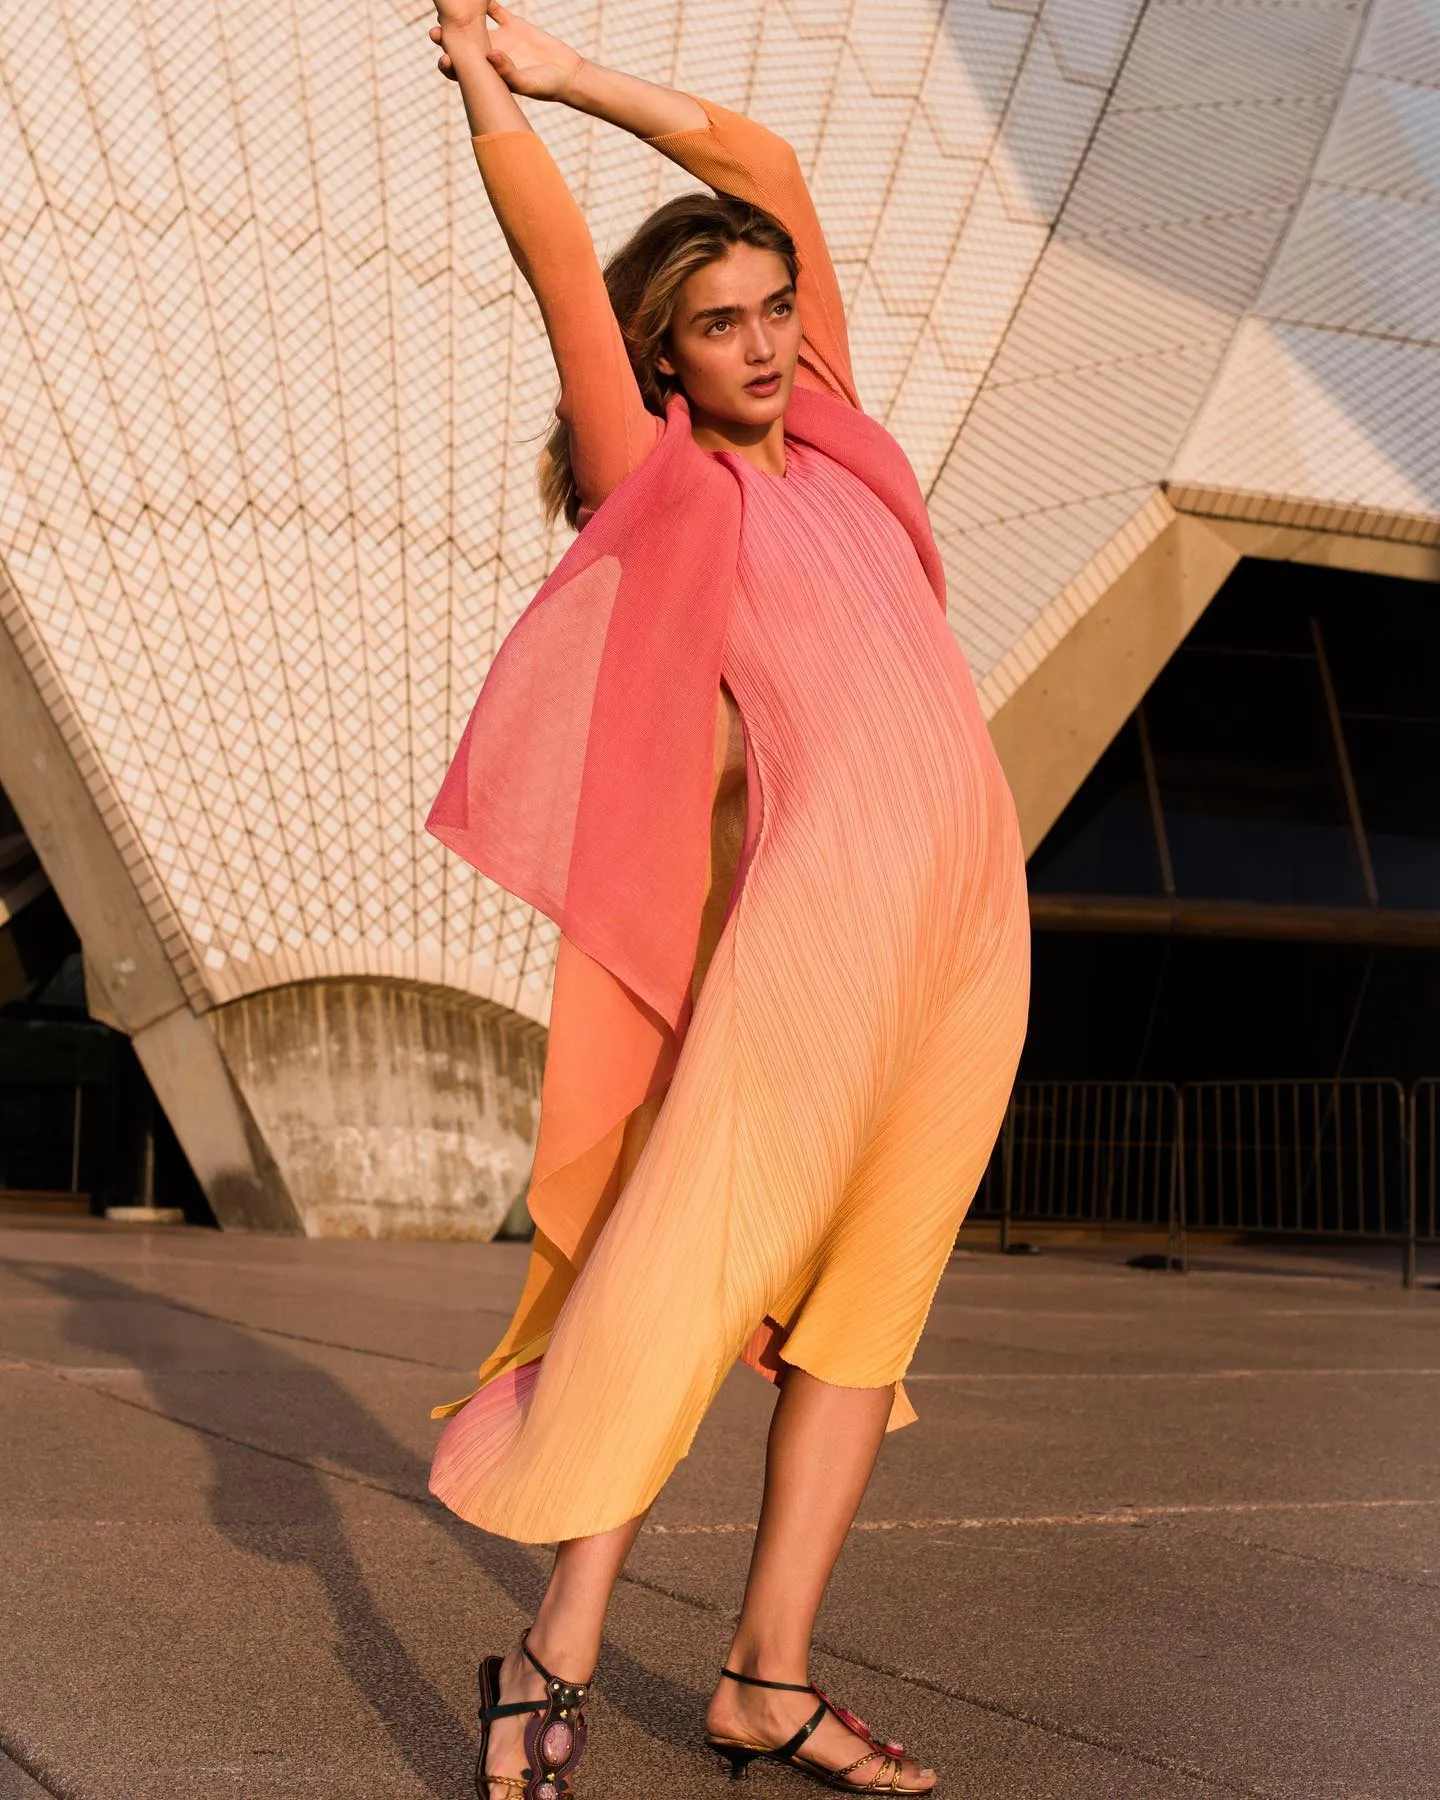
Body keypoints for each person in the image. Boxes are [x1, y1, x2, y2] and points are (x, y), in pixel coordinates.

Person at [423, 5, 1031, 1794]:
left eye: (777, 310)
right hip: (814, 940)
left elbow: (763, 171)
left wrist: (578, 64)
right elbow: (553, 269)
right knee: (684, 1277)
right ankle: (554, 1653)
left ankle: (769, 1677)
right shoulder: (666, 486)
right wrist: (491, 96)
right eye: (723, 324)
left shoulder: (839, 444)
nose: (766, 343)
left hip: (971, 939)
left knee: (871, 1308)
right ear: (662, 362)